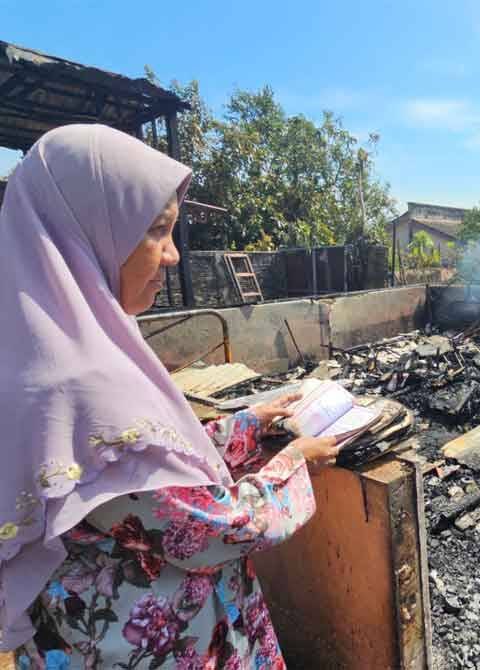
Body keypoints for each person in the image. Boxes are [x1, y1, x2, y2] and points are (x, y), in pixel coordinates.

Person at [0, 124, 339, 669]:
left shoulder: (45, 352)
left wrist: (244, 425)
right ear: (87, 230)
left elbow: (141, 473)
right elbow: (205, 530)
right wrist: (292, 467)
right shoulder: (82, 386)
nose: (174, 256)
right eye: (158, 231)